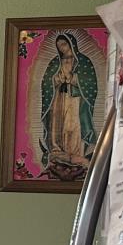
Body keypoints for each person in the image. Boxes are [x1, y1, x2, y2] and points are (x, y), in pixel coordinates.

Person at [39, 32, 99, 179]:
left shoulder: (83, 61)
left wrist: (73, 79)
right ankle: (58, 151)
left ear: (71, 43)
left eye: (64, 44)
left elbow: (91, 83)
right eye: (59, 46)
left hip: (75, 99)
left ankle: (75, 155)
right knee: (58, 125)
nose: (62, 48)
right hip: (58, 98)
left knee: (72, 125)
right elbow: (46, 82)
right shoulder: (55, 62)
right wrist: (56, 79)